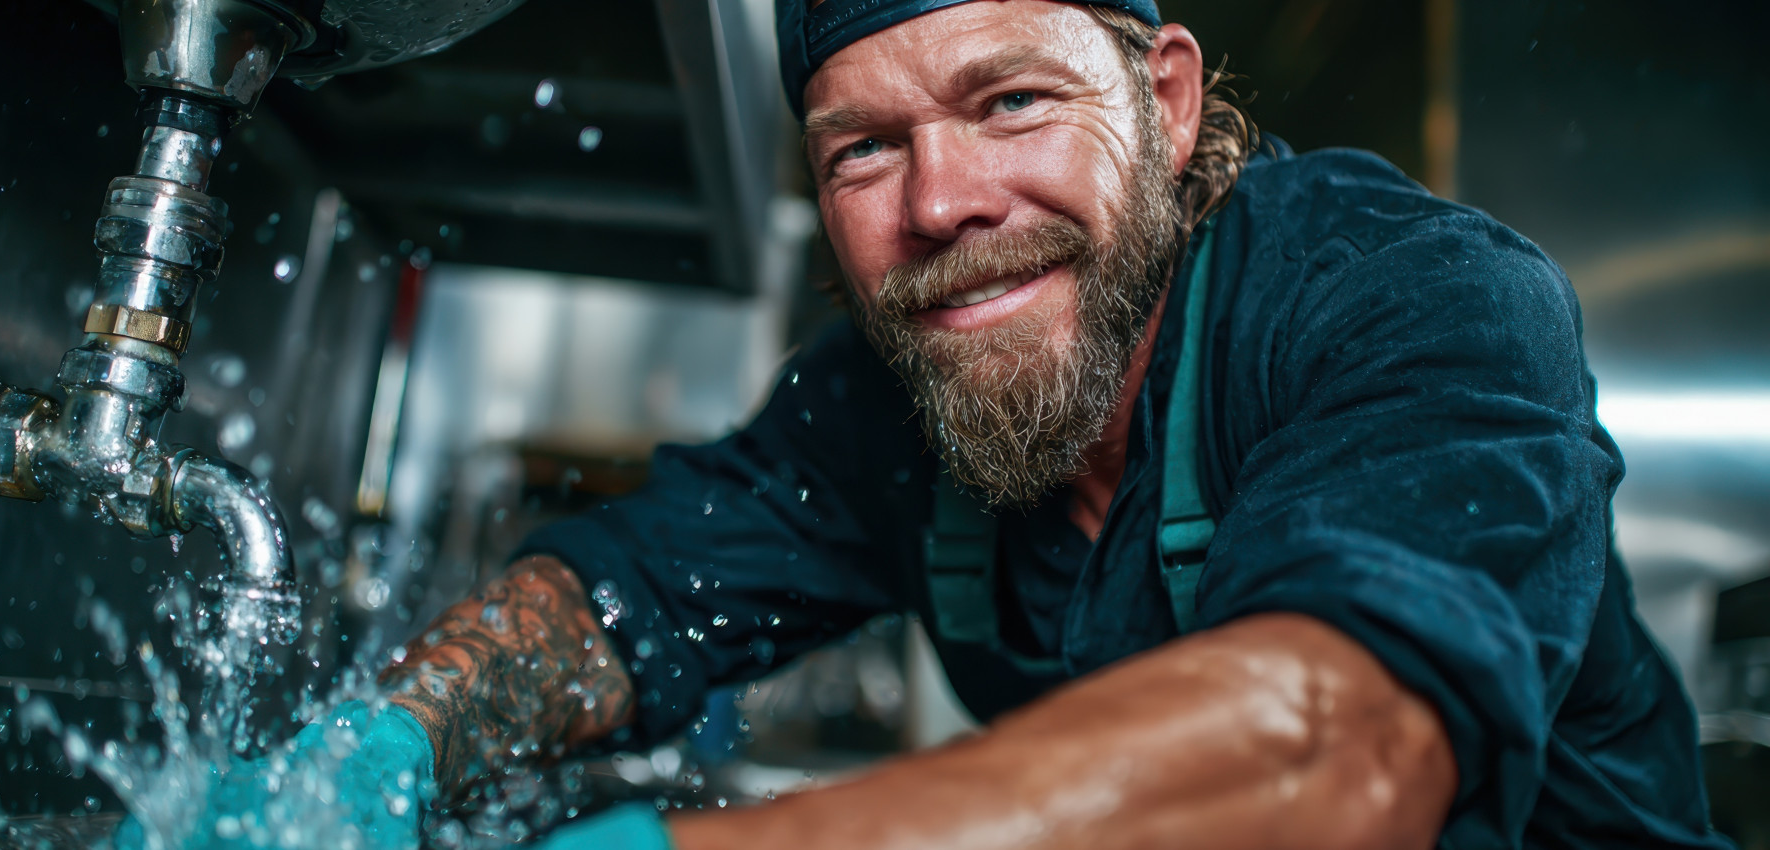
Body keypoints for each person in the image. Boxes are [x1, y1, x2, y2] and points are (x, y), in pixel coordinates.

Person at [119, 1, 1732, 848]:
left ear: (1163, 104)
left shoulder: (1408, 300)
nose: (945, 205)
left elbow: (1338, 750)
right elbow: (635, 588)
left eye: (1011, 101)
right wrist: (392, 738)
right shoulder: (893, 395)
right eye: (859, 152)